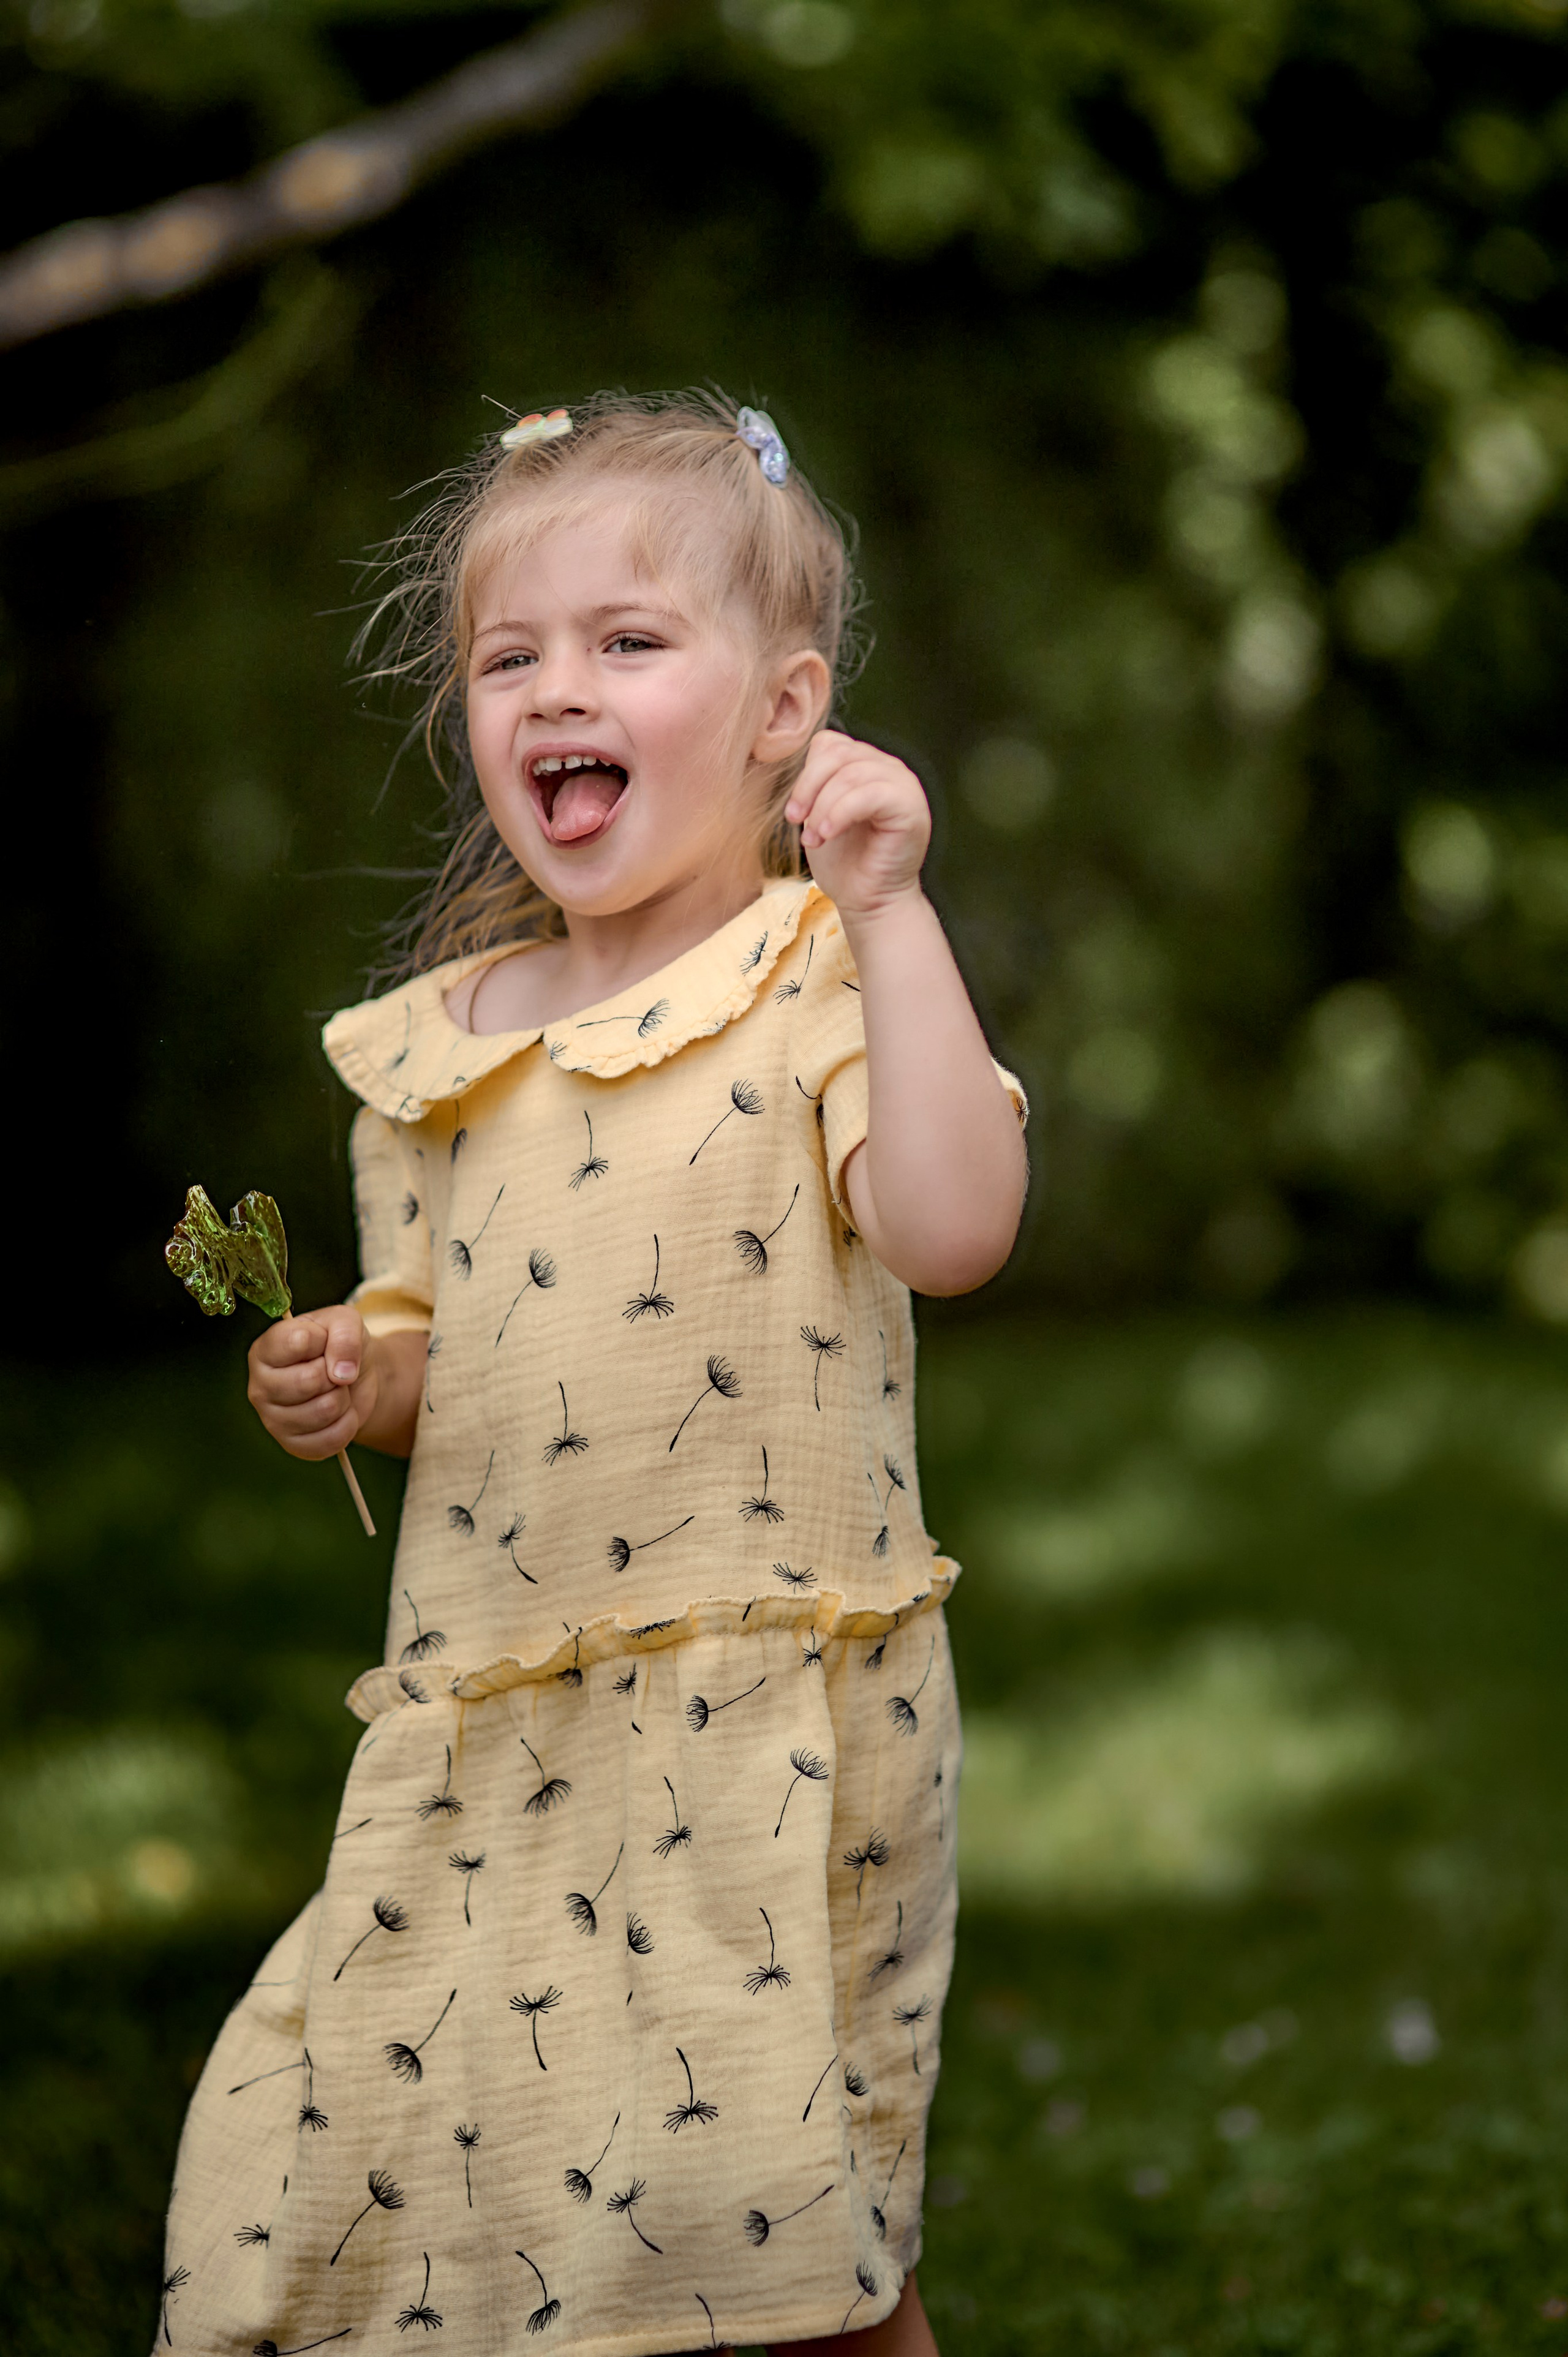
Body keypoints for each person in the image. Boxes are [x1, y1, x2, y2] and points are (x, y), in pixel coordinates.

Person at [154, 390, 1027, 2357]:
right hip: (492, 1726)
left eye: (630, 641)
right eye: (510, 656)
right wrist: (357, 1374)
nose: (561, 687)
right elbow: (432, 1340)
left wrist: (894, 913)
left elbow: (956, 1228)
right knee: (398, 2172)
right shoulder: (441, 1052)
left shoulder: (822, 973)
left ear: (785, 711)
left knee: (772, 2233)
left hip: (766, 1726)